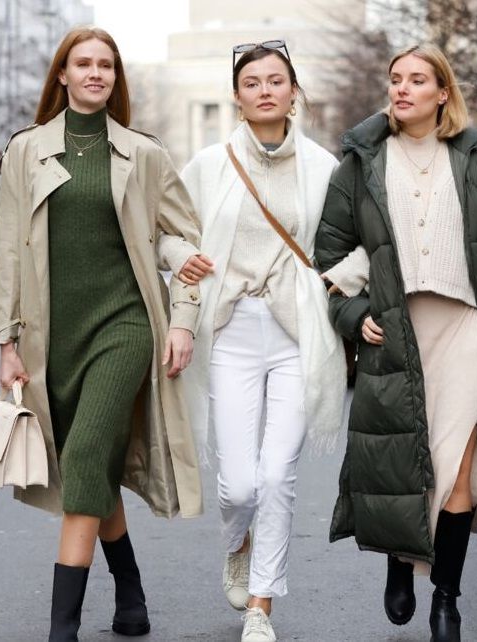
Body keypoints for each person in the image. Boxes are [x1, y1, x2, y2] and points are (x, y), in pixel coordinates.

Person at [313, 43, 477, 642]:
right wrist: (352, 312)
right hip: (397, 329)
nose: (402, 89)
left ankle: (445, 597)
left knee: (459, 472)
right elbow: (331, 255)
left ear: (442, 93)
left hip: (465, 331)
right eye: (395, 79)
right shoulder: (360, 165)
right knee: (406, 463)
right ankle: (401, 562)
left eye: (417, 80)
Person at [0, 26, 206, 642]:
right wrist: (6, 344)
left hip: (125, 326)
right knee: (92, 470)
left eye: (105, 66)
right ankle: (131, 589)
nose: (95, 74)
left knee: (85, 457)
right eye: (82, 64)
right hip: (51, 337)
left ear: (116, 78)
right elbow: (9, 251)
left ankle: (62, 630)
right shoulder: (26, 151)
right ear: (61, 74)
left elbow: (185, 241)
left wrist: (183, 321)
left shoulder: (143, 153)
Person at [169, 39, 347, 642]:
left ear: (295, 92)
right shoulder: (208, 165)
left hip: (299, 332)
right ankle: (237, 540)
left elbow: (357, 245)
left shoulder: (325, 168)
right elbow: (171, 235)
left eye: (277, 80)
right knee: (239, 484)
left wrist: (336, 280)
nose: (266, 90)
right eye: (253, 82)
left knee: (277, 476)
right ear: (237, 97)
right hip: (233, 331)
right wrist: (183, 283)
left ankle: (261, 606)